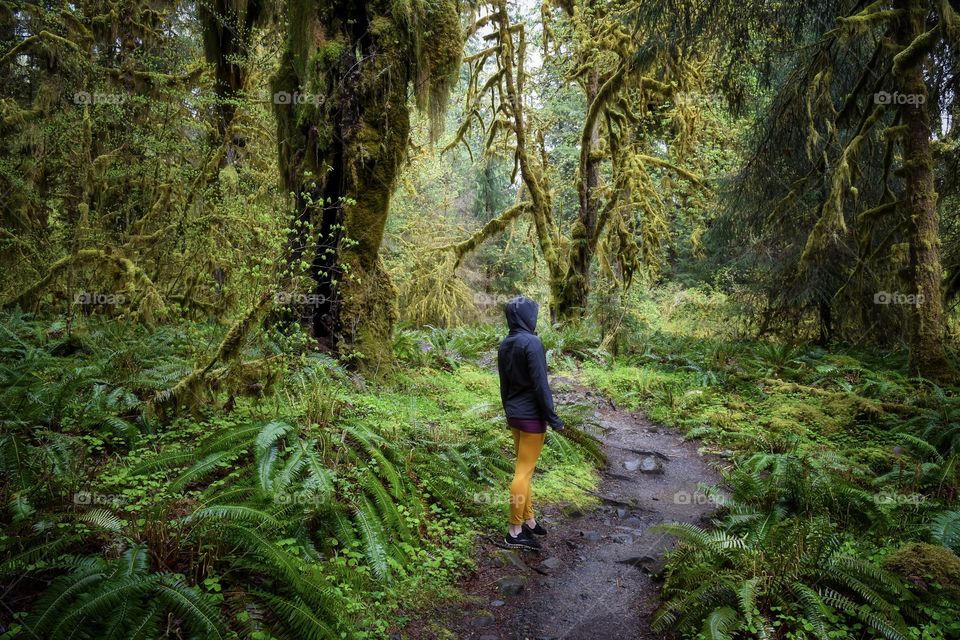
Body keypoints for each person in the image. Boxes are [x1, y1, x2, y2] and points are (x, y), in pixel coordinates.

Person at [497, 296, 564, 550]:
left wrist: (508, 413)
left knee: (525, 470)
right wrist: (553, 418)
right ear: (527, 316)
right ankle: (514, 531)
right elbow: (540, 384)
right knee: (523, 473)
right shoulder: (533, 342)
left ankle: (529, 519)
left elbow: (504, 386)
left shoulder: (505, 344)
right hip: (532, 418)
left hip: (515, 415)